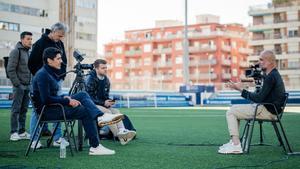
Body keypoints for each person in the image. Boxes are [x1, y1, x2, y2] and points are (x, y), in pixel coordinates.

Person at [32, 47, 124, 155]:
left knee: (82, 94)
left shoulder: (49, 73)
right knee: (85, 111)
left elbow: (52, 95)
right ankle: (95, 146)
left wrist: (65, 97)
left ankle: (100, 117)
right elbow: (46, 99)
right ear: (49, 60)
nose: (61, 61)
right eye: (58, 58)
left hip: (54, 106)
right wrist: (67, 102)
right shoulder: (43, 75)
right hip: (48, 112)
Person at [218, 50, 286, 154]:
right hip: (270, 110)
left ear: (269, 62)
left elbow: (258, 98)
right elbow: (258, 85)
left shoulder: (271, 77)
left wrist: (240, 89)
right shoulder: (273, 75)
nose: (259, 62)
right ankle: (234, 142)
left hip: (268, 111)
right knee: (235, 109)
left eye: (261, 60)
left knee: (231, 111)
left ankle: (236, 144)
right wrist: (242, 84)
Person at [28, 22, 68, 148]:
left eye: (62, 36)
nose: (61, 38)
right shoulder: (40, 43)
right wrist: (41, 77)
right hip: (43, 81)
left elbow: (64, 60)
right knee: (38, 109)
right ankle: (34, 140)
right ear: (53, 31)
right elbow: (31, 63)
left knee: (58, 105)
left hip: (57, 81)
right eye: (60, 35)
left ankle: (57, 138)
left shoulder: (59, 43)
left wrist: (62, 76)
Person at [86, 59, 136, 145]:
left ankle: (122, 130)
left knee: (116, 111)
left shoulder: (106, 80)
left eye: (106, 67)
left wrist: (109, 101)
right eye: (103, 68)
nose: (105, 69)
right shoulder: (90, 78)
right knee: (108, 112)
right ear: (96, 69)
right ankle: (118, 136)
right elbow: (88, 97)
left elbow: (105, 96)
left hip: (101, 104)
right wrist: (103, 103)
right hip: (91, 104)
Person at [7, 31, 33, 141]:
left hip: (28, 86)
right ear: (22, 39)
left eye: (31, 39)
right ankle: (14, 132)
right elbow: (10, 69)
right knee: (16, 109)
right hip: (19, 86)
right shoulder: (15, 51)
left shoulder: (29, 52)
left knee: (24, 110)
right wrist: (18, 84)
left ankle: (22, 131)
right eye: (28, 39)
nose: (30, 41)